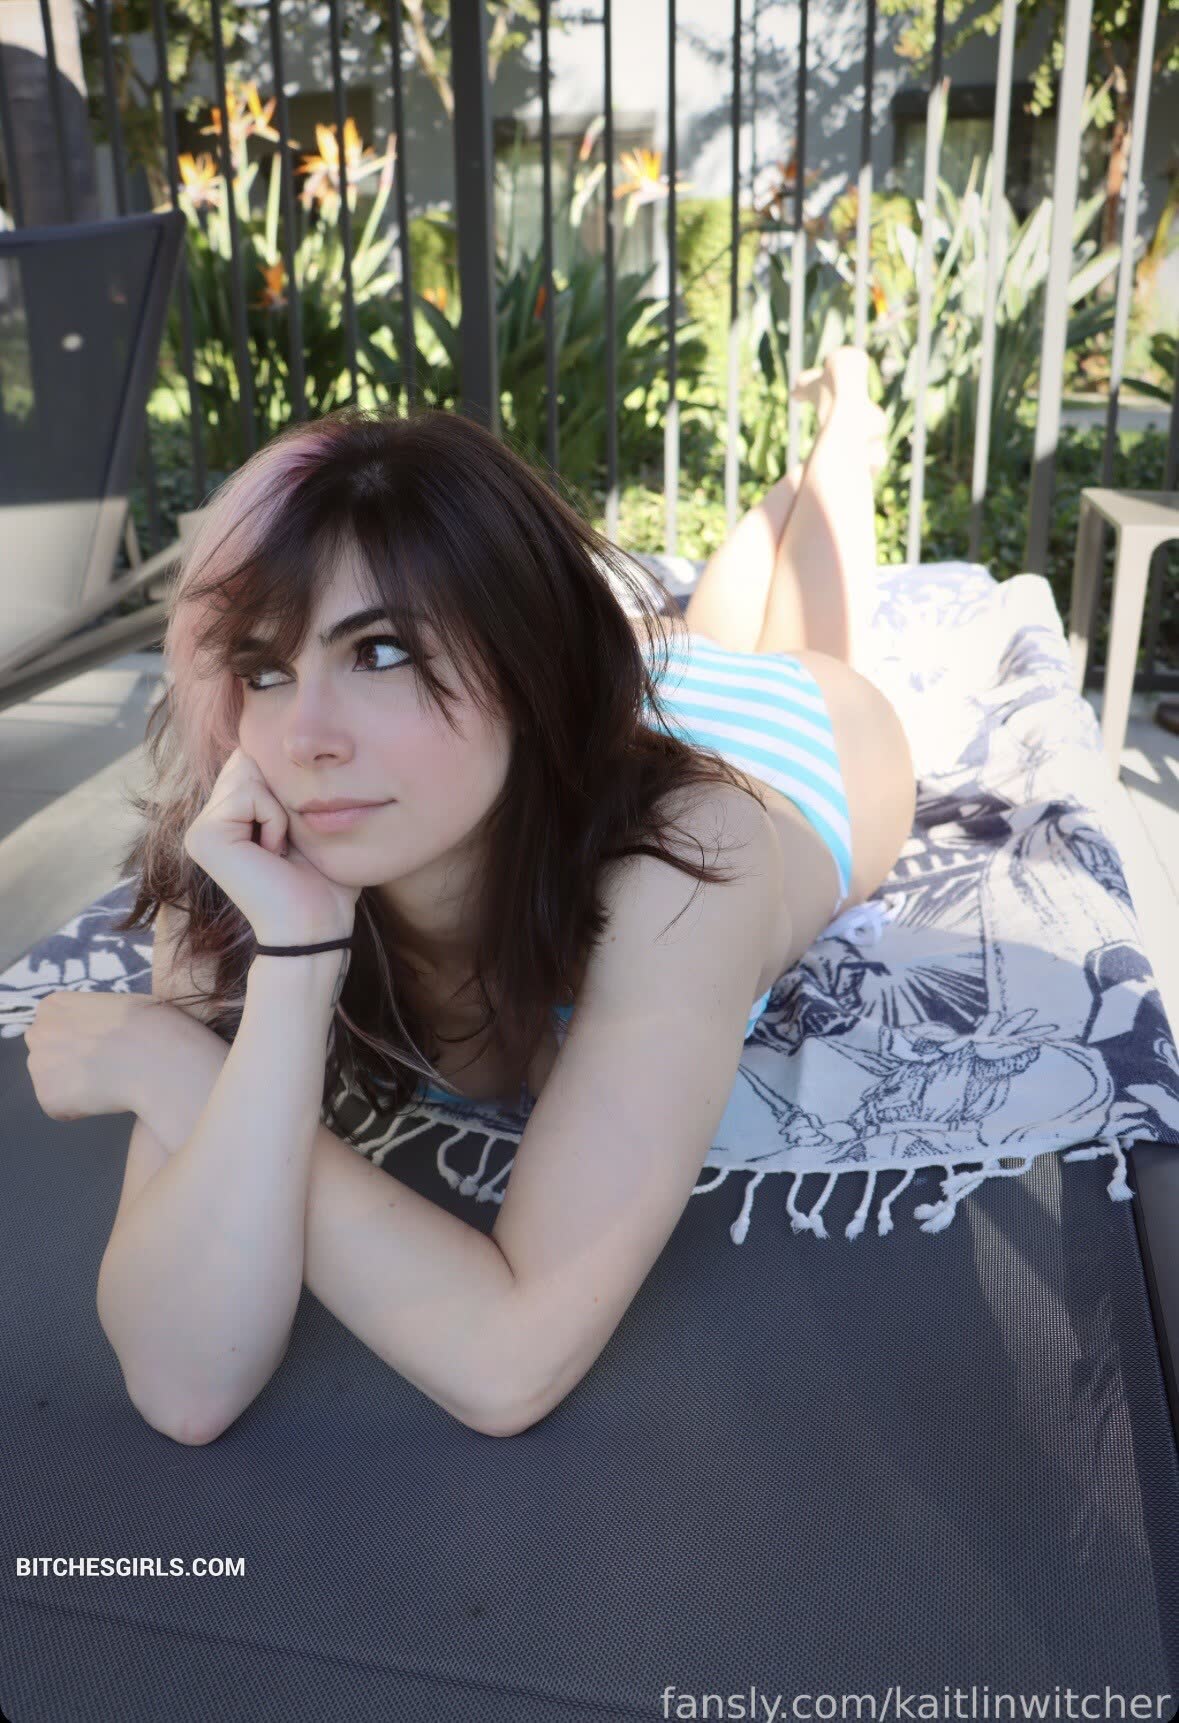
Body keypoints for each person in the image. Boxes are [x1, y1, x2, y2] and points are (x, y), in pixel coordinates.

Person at [26, 344, 915, 1442]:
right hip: (575, 729)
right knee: (700, 631)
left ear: (526, 663)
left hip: (800, 748)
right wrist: (295, 965)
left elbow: (509, 1361)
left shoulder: (688, 859)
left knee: (800, 634)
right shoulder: (238, 873)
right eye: (264, 670)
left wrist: (175, 1068)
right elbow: (185, 1384)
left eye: (379, 651)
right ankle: (802, 466)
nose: (305, 739)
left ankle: (844, 429)